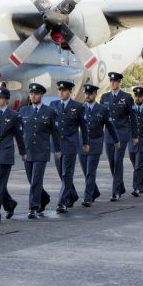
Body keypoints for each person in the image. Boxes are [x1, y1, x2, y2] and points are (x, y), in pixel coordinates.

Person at [19, 83, 59, 218]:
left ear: (41, 95)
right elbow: (20, 132)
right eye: (31, 94)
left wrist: (57, 150)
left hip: (42, 151)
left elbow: (55, 132)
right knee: (31, 180)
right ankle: (45, 197)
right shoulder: (23, 111)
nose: (33, 96)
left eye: (36, 94)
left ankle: (33, 208)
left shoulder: (49, 111)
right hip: (27, 151)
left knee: (36, 179)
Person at [0, 87, 25, 223]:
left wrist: (23, 152)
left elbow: (19, 136)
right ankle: (9, 203)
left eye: (1, 97)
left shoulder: (14, 115)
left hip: (5, 155)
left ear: (7, 100)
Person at [99, 72, 138, 201]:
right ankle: (120, 186)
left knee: (118, 161)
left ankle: (115, 192)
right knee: (111, 162)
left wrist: (134, 135)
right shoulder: (104, 97)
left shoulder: (126, 97)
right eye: (111, 81)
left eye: (115, 81)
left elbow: (133, 117)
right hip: (108, 135)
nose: (113, 83)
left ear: (119, 82)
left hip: (121, 134)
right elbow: (101, 118)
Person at [78, 84, 118, 207]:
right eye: (86, 93)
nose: (87, 96)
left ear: (95, 94)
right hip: (82, 144)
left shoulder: (102, 109)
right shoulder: (80, 108)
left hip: (95, 144)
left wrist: (117, 141)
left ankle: (87, 197)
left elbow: (110, 126)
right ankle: (94, 192)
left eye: (90, 93)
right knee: (86, 171)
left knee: (90, 171)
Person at [52, 80, 88, 213]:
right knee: (61, 174)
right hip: (56, 146)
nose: (61, 92)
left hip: (70, 145)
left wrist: (85, 143)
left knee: (67, 174)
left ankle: (62, 203)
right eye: (59, 90)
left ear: (70, 91)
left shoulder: (78, 106)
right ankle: (72, 195)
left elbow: (83, 126)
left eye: (64, 90)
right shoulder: (53, 104)